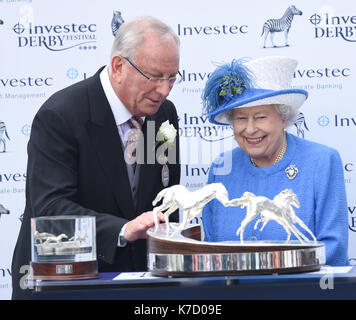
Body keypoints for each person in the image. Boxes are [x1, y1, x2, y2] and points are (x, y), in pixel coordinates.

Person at [11, 16, 181, 299]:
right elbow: (51, 209)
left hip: (141, 286)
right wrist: (122, 230)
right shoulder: (61, 116)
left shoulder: (163, 116)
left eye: (172, 77)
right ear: (118, 67)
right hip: (67, 283)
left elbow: (165, 194)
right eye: (154, 77)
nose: (164, 90)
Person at [201, 56, 349, 266]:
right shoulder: (221, 168)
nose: (250, 129)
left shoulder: (322, 162)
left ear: (283, 118)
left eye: (261, 117)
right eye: (241, 118)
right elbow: (210, 249)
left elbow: (333, 249)